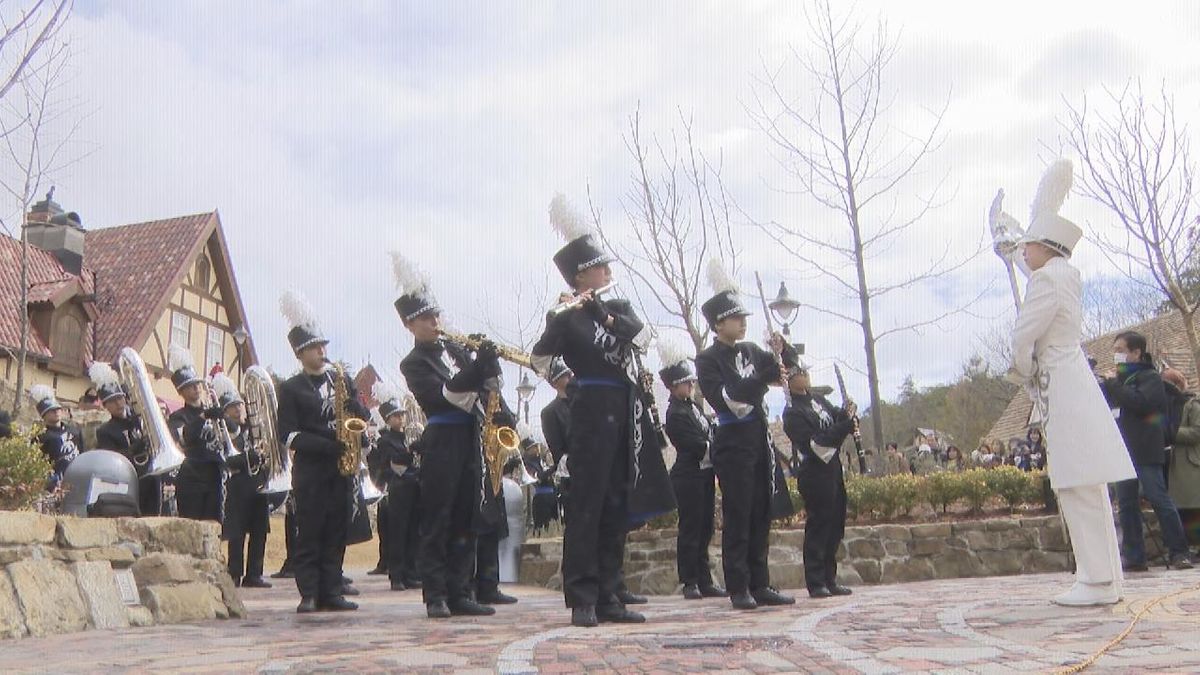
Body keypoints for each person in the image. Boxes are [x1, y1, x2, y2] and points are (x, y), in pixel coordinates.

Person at [530, 195, 674, 628]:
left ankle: (612, 593)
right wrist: (567, 383)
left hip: (625, 410)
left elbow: (644, 339)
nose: (609, 273)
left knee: (616, 503)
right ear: (580, 275)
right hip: (591, 410)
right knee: (588, 504)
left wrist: (605, 315)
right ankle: (583, 596)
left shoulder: (619, 309)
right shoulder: (566, 317)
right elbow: (539, 358)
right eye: (601, 267)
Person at [1005, 158, 1138, 606]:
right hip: (1071, 381)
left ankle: (1097, 579)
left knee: (1076, 481)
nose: (1024, 253)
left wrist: (1020, 368)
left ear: (1045, 247)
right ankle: (1105, 575)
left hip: (1059, 385)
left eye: (1028, 246)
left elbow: (1024, 337)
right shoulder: (1065, 275)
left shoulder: (1046, 281)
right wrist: (1012, 251)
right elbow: (1039, 277)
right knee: (1088, 483)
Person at [393, 253, 505, 619]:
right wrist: (474, 367)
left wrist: (487, 363)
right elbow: (445, 398)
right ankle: (436, 594)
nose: (436, 322)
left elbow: (485, 391)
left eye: (436, 315)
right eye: (427, 318)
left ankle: (462, 591)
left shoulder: (452, 353)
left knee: (466, 517)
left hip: (469, 439)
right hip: (442, 441)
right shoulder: (414, 363)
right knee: (438, 518)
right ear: (411, 325)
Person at [695, 259, 798, 611]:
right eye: (737, 319)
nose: (742, 325)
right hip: (732, 440)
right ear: (719, 323)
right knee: (738, 512)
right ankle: (738, 585)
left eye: (744, 319)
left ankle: (761, 581)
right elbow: (731, 398)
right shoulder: (707, 360)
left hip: (758, 436)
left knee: (760, 510)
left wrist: (783, 349)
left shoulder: (752, 350)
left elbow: (784, 370)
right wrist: (760, 381)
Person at [276, 291, 367, 614]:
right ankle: (310, 592)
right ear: (301, 353)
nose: (322, 352)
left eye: (323, 346)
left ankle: (332, 590)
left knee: (336, 530)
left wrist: (356, 403)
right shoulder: (291, 388)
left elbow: (361, 419)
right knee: (311, 530)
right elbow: (287, 434)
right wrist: (326, 444)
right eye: (316, 347)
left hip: (340, 470)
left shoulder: (337, 380)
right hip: (312, 470)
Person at [1101, 331, 1194, 571]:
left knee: (1158, 498)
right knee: (1127, 504)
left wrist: (1114, 385)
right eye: (1115, 350)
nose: (1117, 355)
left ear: (1136, 352)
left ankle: (1179, 551)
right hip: (1123, 452)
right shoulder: (1117, 381)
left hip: (1146, 450)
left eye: (1121, 350)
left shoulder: (1150, 377)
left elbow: (1142, 403)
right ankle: (1134, 556)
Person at [658, 341, 725, 601]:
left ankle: (704, 578)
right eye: (687, 383)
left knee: (706, 527)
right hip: (688, 476)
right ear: (675, 386)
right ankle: (690, 581)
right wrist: (716, 447)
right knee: (691, 528)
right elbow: (694, 444)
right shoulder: (674, 414)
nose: (691, 387)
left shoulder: (694, 408)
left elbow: (709, 432)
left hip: (705, 474)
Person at [783, 364, 856, 599]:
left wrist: (848, 415)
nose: (803, 375)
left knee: (835, 524)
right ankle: (816, 581)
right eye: (797, 373)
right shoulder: (792, 412)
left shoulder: (818, 400)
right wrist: (844, 426)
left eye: (804, 371)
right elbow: (816, 444)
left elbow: (837, 418)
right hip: (814, 472)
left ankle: (829, 577)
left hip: (833, 469)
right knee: (819, 525)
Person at [212, 373, 271, 589]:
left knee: (259, 531)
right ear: (225, 412)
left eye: (239, 405)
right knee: (237, 533)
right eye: (232, 408)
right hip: (238, 485)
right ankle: (235, 573)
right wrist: (249, 458)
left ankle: (255, 574)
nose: (238, 410)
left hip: (258, 482)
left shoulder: (254, 429)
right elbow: (225, 460)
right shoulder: (223, 432)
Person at [371, 381, 424, 592]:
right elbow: (395, 464)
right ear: (387, 419)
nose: (400, 418)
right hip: (398, 489)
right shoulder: (386, 441)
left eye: (401, 415)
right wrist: (411, 452)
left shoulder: (408, 437)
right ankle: (397, 576)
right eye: (395, 416)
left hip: (414, 487)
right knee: (398, 533)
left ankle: (411, 573)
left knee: (414, 532)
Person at [91, 362, 162, 516]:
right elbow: (112, 460)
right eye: (112, 401)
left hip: (151, 474)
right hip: (130, 480)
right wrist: (134, 449)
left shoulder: (139, 418)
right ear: (105, 406)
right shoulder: (105, 431)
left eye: (120, 398)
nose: (118, 403)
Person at [166, 346, 225, 521]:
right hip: (191, 480)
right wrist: (203, 417)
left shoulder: (211, 409)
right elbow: (183, 438)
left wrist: (225, 418)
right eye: (190, 386)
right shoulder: (177, 417)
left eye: (198, 384)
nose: (196, 388)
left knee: (213, 528)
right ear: (180, 392)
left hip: (214, 476)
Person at [1163, 369, 1200, 549]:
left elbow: (1196, 432)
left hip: (1190, 463)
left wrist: (1172, 431)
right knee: (1180, 509)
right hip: (1171, 464)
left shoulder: (1192, 405)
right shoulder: (1163, 407)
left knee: (1193, 506)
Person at [539, 357, 574, 527]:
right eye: (566, 375)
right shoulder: (549, 412)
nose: (570, 376)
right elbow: (558, 452)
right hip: (572, 475)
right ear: (555, 382)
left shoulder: (583, 404)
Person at [31, 385, 83, 490]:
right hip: (57, 482)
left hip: (78, 477)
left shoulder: (75, 431)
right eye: (51, 410)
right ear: (44, 415)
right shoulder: (41, 437)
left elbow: (82, 453)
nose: (56, 412)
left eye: (57, 409)